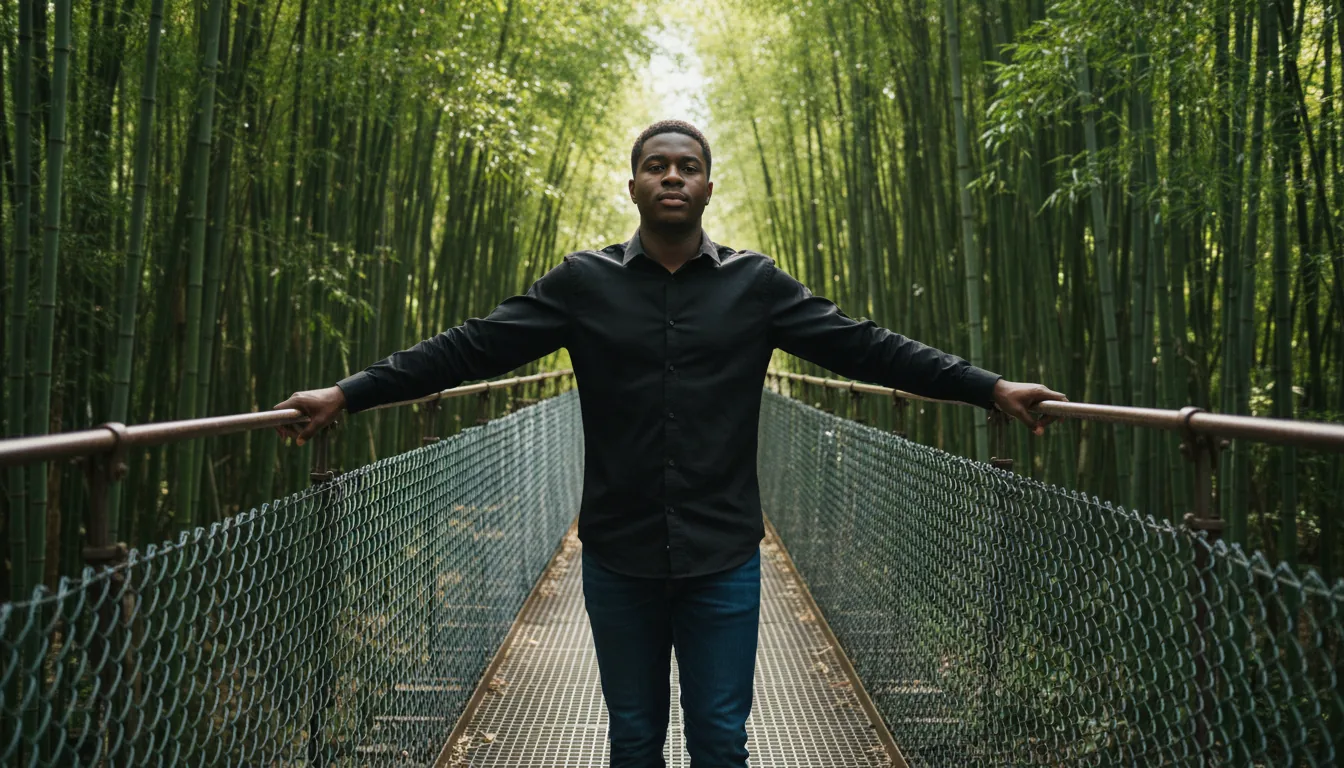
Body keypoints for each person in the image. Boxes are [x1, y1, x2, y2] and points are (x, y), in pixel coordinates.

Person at [275, 120, 1067, 768]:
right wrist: (349, 393)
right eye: (657, 166)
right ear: (634, 186)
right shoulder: (582, 285)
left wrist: (988, 387)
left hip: (724, 553)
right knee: (632, 740)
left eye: (688, 166)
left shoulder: (757, 287)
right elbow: (468, 348)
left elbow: (868, 348)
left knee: (722, 742)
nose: (673, 177)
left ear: (708, 187)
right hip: (618, 552)